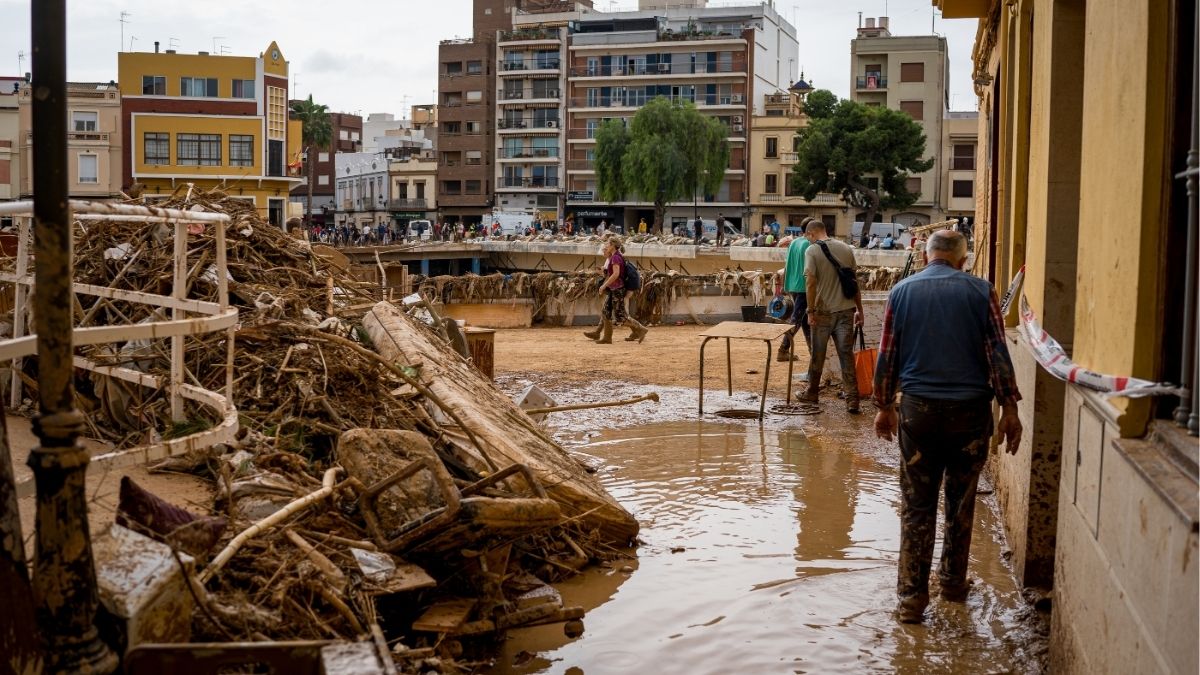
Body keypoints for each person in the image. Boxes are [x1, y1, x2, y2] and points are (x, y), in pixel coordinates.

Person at [872, 230, 1022, 624]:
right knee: (960, 501)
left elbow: (888, 353)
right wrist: (1009, 409)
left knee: (917, 505)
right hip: (969, 414)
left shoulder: (902, 291)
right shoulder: (981, 291)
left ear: (926, 257)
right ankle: (953, 584)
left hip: (918, 412)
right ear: (962, 260)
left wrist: (884, 405)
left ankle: (910, 600)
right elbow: (997, 352)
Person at [798, 219, 864, 413]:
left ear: (811, 233)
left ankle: (812, 393)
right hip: (846, 310)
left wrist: (810, 310)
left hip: (822, 312)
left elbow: (810, 282)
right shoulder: (846, 248)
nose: (808, 240)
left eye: (807, 237)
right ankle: (852, 399)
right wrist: (859, 309)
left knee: (818, 354)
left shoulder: (811, 251)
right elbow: (854, 282)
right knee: (846, 356)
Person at [582, 236, 648, 344]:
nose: (606, 246)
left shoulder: (615, 258)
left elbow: (616, 274)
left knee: (621, 317)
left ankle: (641, 329)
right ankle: (607, 338)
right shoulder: (615, 256)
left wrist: (604, 286)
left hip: (618, 289)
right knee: (606, 311)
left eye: (607, 244)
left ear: (612, 246)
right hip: (615, 288)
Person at [778, 217, 813, 362]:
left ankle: (813, 352)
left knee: (804, 320)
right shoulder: (810, 245)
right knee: (797, 320)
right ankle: (783, 349)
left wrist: (785, 285)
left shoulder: (794, 242)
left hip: (792, 285)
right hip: (803, 287)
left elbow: (788, 265)